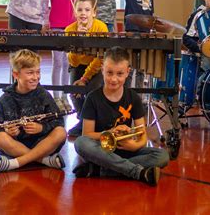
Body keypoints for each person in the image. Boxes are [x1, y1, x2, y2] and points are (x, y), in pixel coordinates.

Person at [73, 46, 170, 186]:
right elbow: (87, 134)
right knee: (80, 142)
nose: (113, 79)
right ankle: (137, 172)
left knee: (162, 156)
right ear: (102, 70)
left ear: (127, 73)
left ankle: (100, 170)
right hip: (101, 150)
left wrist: (134, 145)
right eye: (109, 73)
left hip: (124, 149)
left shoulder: (133, 97)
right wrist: (108, 133)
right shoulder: (92, 98)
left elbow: (142, 135)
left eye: (119, 74)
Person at [0, 49, 67, 173]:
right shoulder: (6, 98)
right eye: (30, 73)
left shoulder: (43, 94)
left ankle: (16, 163)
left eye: (38, 72)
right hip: (17, 144)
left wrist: (42, 128)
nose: (36, 77)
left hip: (42, 143)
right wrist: (7, 130)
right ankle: (44, 160)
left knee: (61, 132)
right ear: (16, 75)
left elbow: (58, 122)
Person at [65, 0, 108, 137]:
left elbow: (99, 59)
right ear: (75, 12)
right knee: (74, 91)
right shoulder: (69, 30)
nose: (83, 13)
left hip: (95, 66)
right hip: (78, 66)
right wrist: (77, 41)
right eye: (80, 10)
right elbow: (73, 62)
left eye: (87, 10)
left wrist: (84, 79)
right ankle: (85, 122)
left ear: (94, 12)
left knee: (93, 91)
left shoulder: (101, 27)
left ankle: (86, 124)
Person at [47, 0, 81, 112]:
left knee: (67, 63)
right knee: (58, 62)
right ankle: (56, 96)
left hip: (70, 29)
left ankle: (64, 96)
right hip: (56, 27)